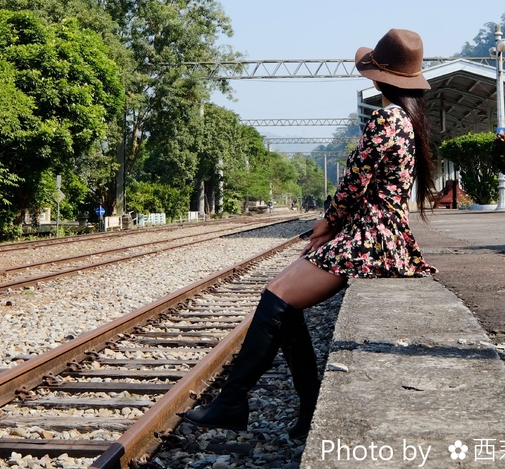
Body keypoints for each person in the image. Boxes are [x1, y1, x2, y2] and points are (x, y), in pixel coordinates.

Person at [182, 28, 439, 439]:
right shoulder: (409, 120)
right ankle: (302, 409)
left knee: (278, 296)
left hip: (368, 238)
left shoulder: (387, 118)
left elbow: (355, 182)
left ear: (378, 76)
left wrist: (326, 223)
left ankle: (235, 401)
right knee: (283, 299)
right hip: (377, 235)